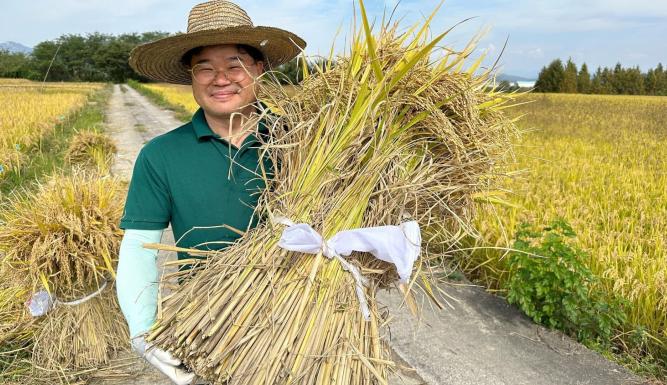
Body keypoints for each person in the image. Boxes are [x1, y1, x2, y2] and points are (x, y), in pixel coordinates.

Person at [116, 2, 306, 384]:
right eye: (204, 67)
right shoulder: (161, 155)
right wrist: (142, 329)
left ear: (259, 69)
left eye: (234, 64)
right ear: (191, 76)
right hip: (212, 334)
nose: (220, 78)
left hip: (306, 325)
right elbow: (140, 245)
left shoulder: (305, 140)